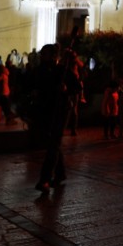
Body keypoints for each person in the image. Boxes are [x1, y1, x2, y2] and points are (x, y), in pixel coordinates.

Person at [34, 45, 82, 192]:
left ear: (54, 56)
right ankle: (60, 173)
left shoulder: (62, 70)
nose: (42, 56)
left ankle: (45, 179)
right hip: (46, 110)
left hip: (60, 110)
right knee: (52, 143)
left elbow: (77, 87)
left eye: (45, 54)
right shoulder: (40, 70)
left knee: (53, 143)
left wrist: (66, 89)